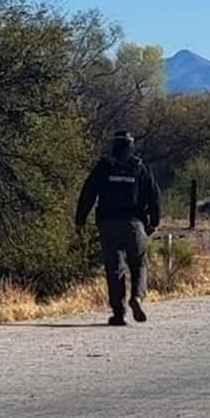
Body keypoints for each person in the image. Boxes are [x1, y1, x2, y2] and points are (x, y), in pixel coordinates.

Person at [75, 131, 161, 326]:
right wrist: (154, 221)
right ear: (131, 147)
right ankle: (137, 297)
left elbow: (88, 193)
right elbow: (154, 196)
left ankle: (118, 313)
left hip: (108, 224)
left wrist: (80, 220)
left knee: (114, 269)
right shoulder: (140, 168)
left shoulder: (104, 167)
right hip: (134, 224)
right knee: (138, 264)